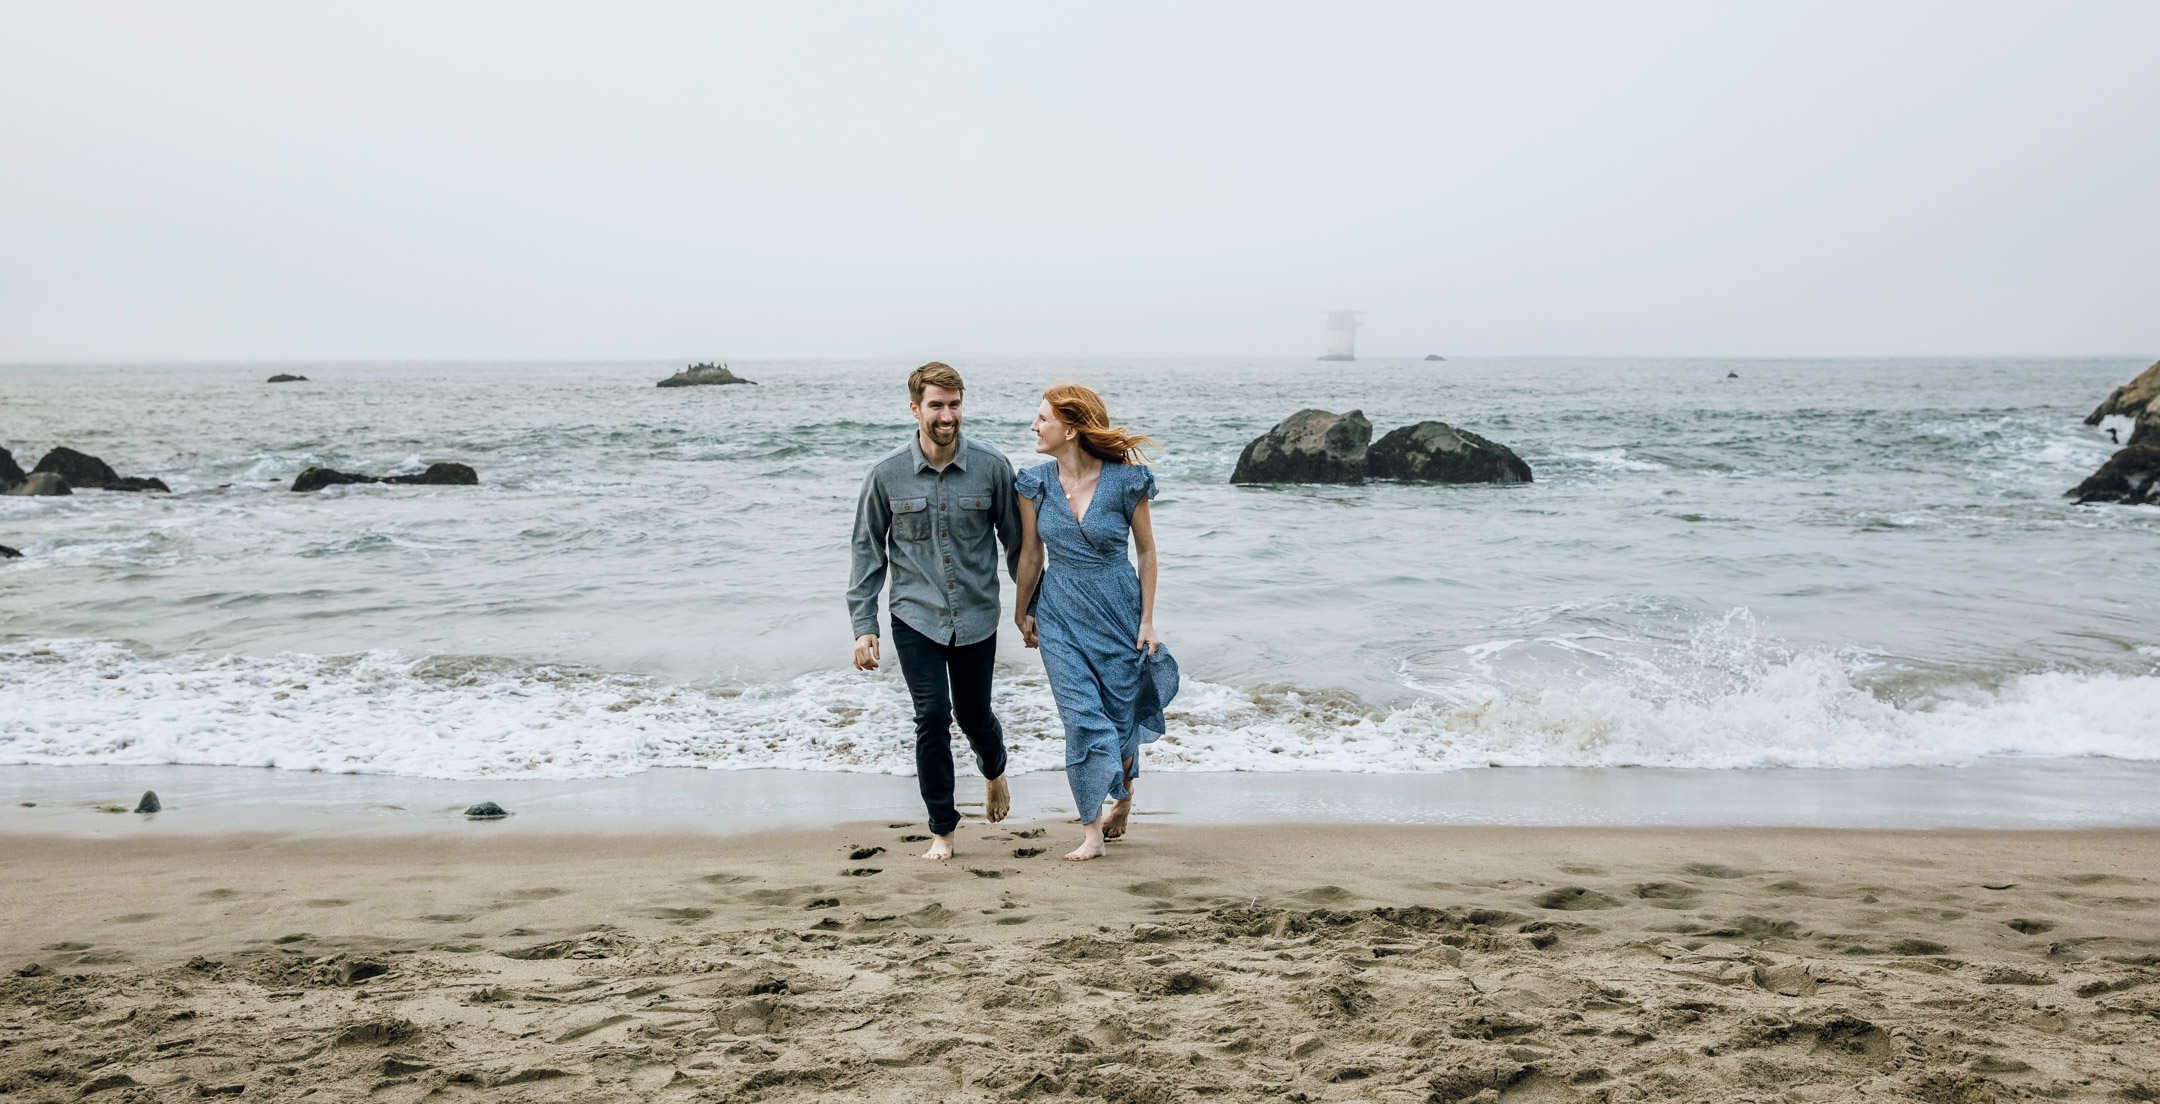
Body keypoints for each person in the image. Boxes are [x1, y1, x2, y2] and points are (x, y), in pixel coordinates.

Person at [848, 362, 1020, 859]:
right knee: (931, 717)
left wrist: (1030, 610)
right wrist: (864, 627)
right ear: (915, 409)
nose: (947, 415)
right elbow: (867, 552)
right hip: (914, 616)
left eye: (954, 404)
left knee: (973, 716)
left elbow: (1018, 544)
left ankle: (994, 770)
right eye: (936, 405)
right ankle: (942, 829)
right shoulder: (886, 475)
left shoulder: (991, 466)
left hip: (976, 616)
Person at [1012, 383, 1178, 861]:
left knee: (1120, 714)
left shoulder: (1127, 481)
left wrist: (1147, 621)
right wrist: (1022, 610)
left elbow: (1146, 553)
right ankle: (1091, 832)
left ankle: (1122, 798)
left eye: (1043, 418)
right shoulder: (1034, 481)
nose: (1034, 427)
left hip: (1118, 610)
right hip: (1059, 611)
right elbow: (1031, 553)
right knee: (1082, 718)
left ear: (1072, 427)